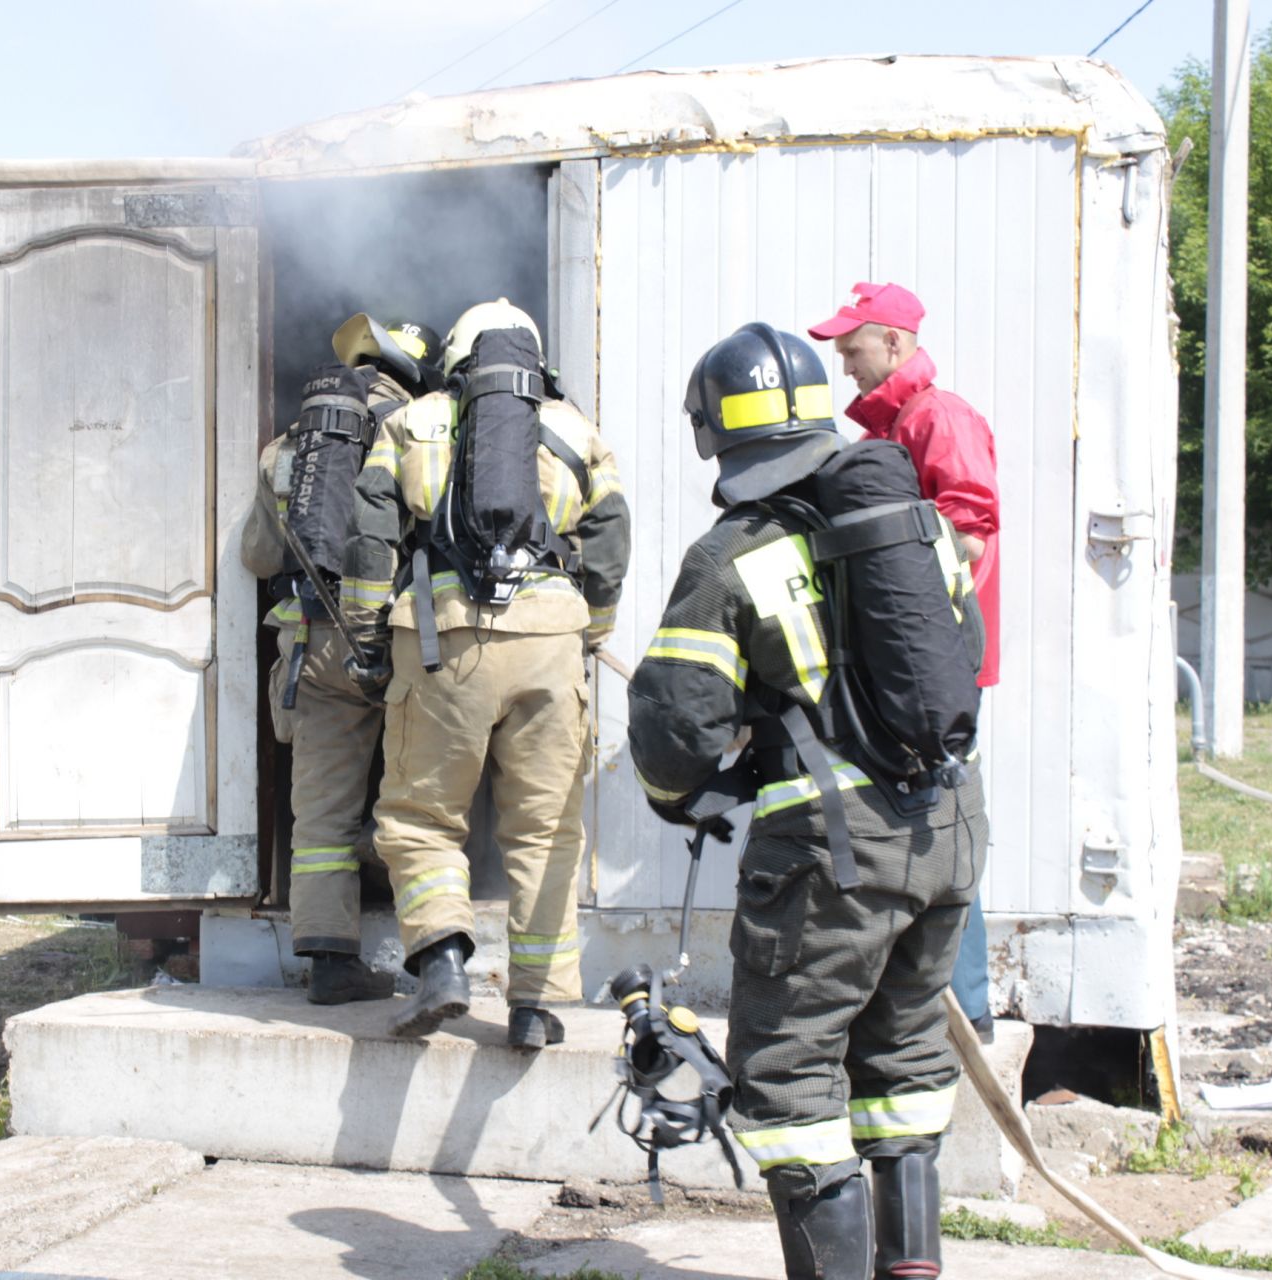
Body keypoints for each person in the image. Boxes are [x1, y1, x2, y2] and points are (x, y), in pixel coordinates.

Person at [628, 325, 984, 1279]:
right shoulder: (917, 522)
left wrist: (691, 795)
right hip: (948, 828)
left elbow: (671, 727)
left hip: (832, 855)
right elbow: (963, 656)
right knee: (904, 1069)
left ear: (715, 435)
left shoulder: (732, 554)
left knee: (791, 1074)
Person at [348, 299, 631, 1049]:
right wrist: (588, 634)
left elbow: (371, 537)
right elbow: (609, 545)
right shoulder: (578, 431)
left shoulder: (409, 423)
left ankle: (442, 963)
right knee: (545, 831)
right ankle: (536, 1006)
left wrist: (371, 638)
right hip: (550, 643)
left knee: (421, 818)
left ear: (455, 356)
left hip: (441, 643)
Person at [808, 282, 1000, 1042]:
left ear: (893, 343)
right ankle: (931, 1006)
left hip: (933, 672)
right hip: (907, 669)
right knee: (919, 831)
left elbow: (970, 536)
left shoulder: (935, 419)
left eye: (852, 349)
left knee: (942, 831)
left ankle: (970, 1011)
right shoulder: (891, 431)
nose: (845, 365)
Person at [238, 315, 440, 1004]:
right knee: (424, 807)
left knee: (321, 815)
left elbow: (258, 557)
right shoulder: (425, 432)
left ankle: (330, 962)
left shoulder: (288, 447)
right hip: (407, 646)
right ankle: (435, 956)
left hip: (313, 648)